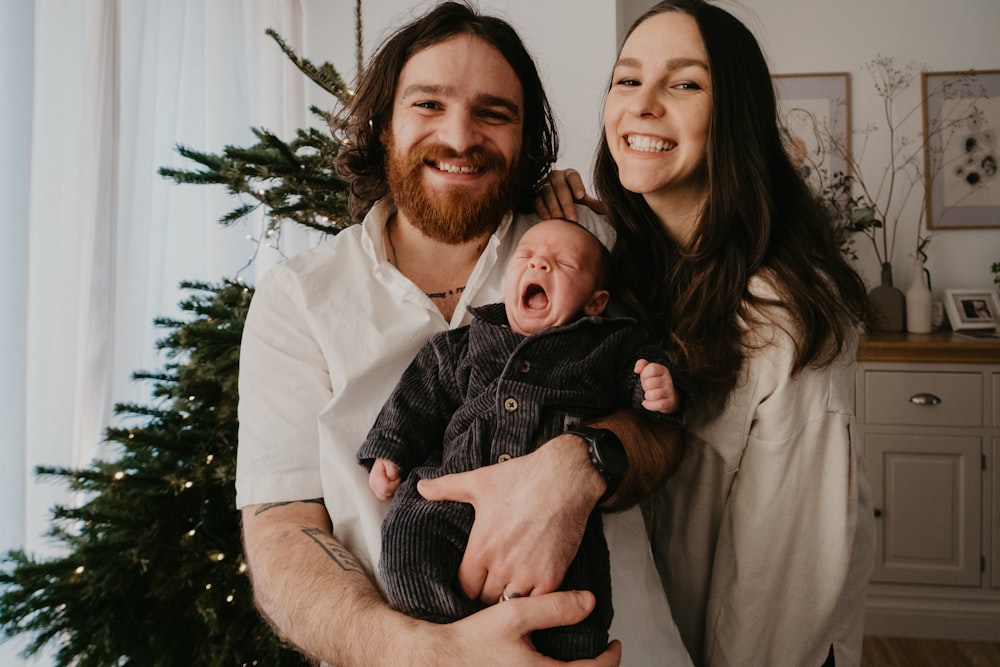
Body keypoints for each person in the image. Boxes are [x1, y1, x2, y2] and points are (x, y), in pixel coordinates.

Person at [235, 3, 690, 666]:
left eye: (494, 112)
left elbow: (666, 424)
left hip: (615, 649)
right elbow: (282, 531)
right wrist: (426, 651)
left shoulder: (585, 248)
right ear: (382, 123)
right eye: (428, 104)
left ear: (527, 137)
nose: (459, 135)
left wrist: (579, 465)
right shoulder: (299, 298)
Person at [536, 1, 876, 665]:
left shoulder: (785, 316)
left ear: (735, 118)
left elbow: (780, 584)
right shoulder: (623, 261)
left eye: (685, 84)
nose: (643, 105)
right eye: (627, 80)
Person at [359, 217, 685, 661]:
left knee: (576, 611)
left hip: (559, 525)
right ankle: (451, 634)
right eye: (527, 257)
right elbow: (420, 394)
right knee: (409, 546)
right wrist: (390, 448)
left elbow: (642, 376)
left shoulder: (606, 342)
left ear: (596, 301)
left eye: (563, 263)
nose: (541, 265)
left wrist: (654, 385)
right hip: (453, 494)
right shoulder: (467, 343)